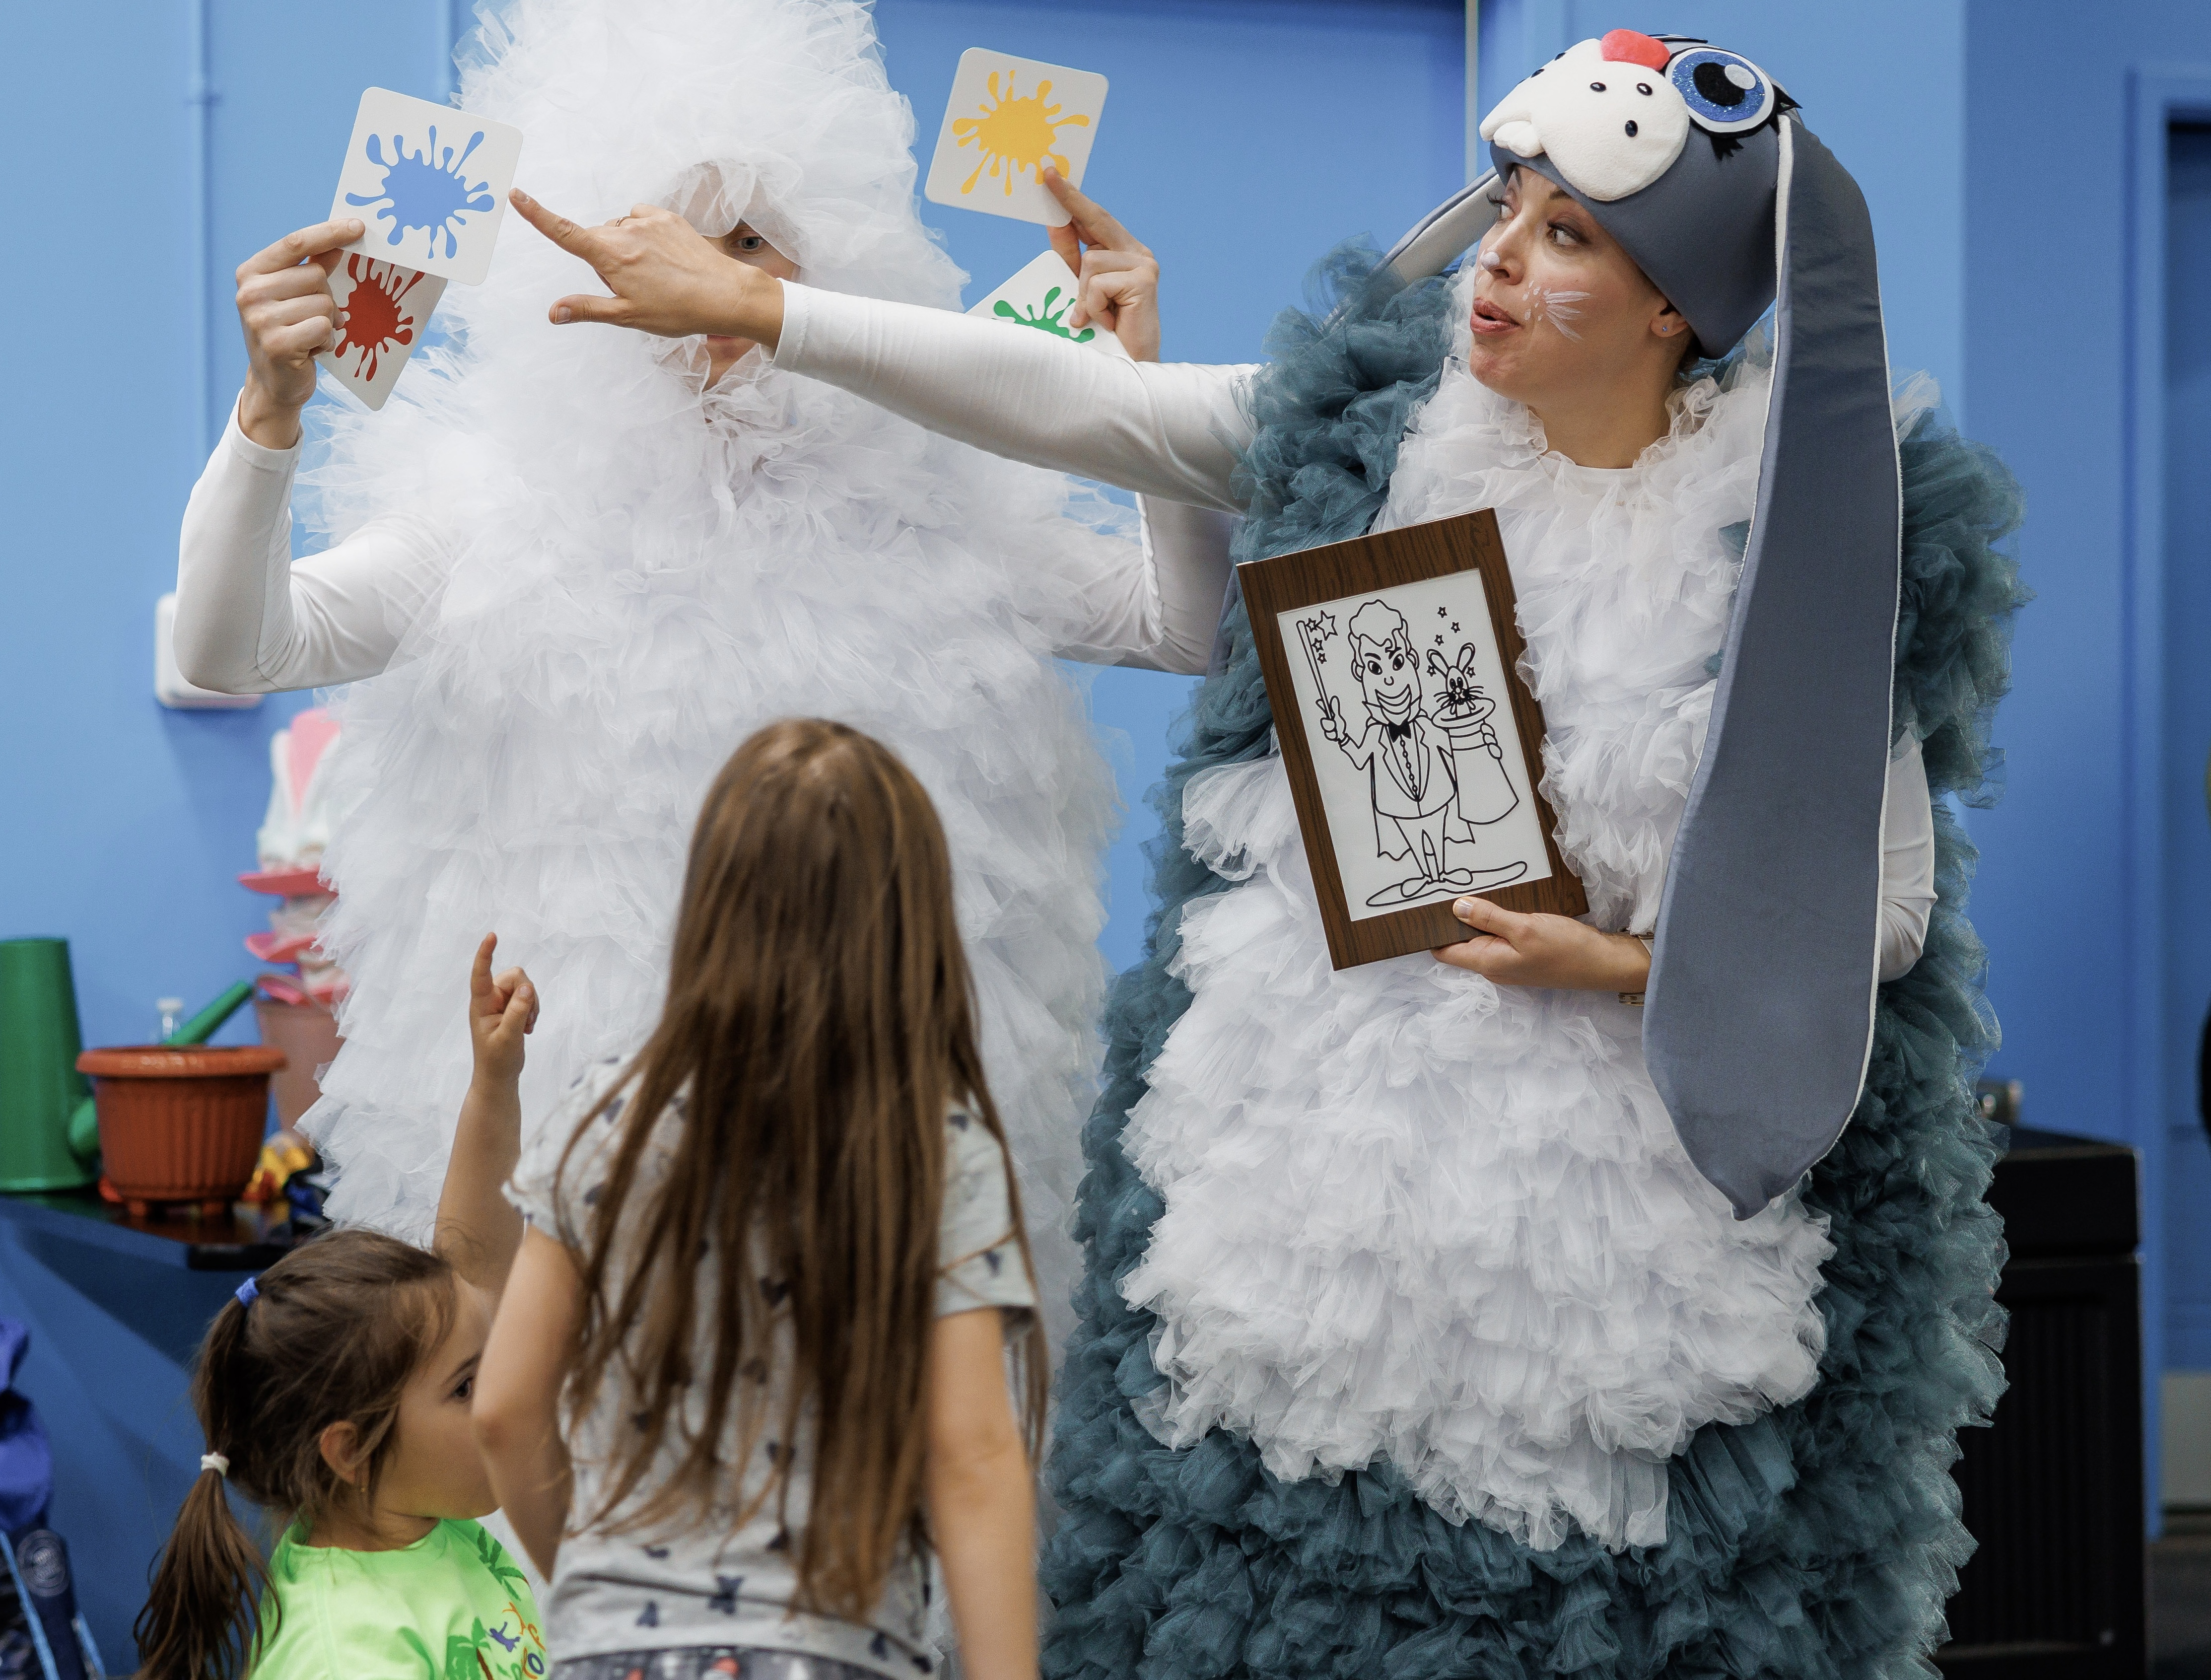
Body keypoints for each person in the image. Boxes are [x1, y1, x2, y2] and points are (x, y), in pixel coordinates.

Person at [508, 29, 2025, 1678]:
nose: (1500, 260)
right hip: (1322, 1172)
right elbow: (1082, 404)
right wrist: (765, 313)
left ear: (1674, 306)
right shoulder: (1370, 446)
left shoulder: (1786, 545)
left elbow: (1871, 918)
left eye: (1568, 234)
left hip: (1610, 1225)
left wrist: (1610, 962)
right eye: (1507, 208)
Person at [169, 0, 1236, 1338]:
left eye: (748, 244)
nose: (706, 288)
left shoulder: (938, 495)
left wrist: (1141, 402)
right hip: (581, 1181)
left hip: (887, 1161)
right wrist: (269, 415)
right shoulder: (487, 507)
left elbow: (1175, 626)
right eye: (659, 238)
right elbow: (227, 643)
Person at [469, 719, 1043, 1680]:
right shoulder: (933, 1148)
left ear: (709, 907)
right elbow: (973, 1457)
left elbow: (503, 1409)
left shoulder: (603, 1120)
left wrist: (606, 1588)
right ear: (910, 926)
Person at [130, 1226, 544, 1680]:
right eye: (465, 1387)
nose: (499, 1399)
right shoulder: (345, 1658)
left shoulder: (430, 1527)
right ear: (352, 1452)